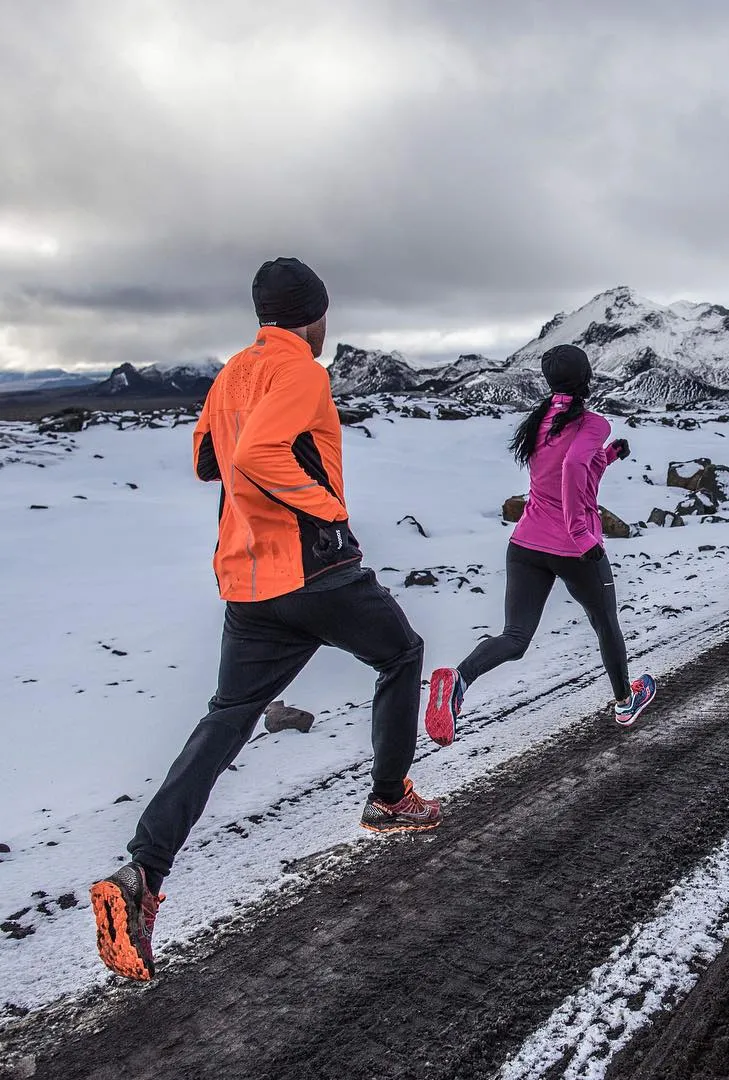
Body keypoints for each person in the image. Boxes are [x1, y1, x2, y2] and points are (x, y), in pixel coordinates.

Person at [89, 257, 439, 983]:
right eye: (323, 314)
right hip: (315, 571)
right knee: (401, 655)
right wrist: (327, 508)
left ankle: (143, 876)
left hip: (248, 584)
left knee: (228, 717)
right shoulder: (304, 371)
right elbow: (252, 453)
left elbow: (208, 462)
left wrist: (260, 457)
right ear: (313, 314)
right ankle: (388, 798)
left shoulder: (231, 374)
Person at [424, 343, 656, 746]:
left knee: (515, 637)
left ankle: (459, 678)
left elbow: (566, 469)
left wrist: (607, 458)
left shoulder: (541, 421)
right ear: (586, 378)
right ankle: (624, 700)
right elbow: (571, 467)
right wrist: (580, 533)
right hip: (573, 549)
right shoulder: (593, 422)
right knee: (605, 624)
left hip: (527, 544)